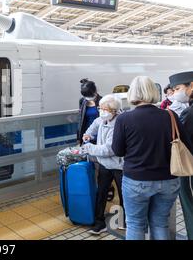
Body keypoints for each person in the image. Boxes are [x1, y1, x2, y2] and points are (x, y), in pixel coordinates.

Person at [112, 76, 192, 240]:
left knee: (135, 224)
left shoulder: (124, 119)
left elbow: (118, 151)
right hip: (169, 180)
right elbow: (187, 146)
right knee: (160, 223)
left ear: (132, 93)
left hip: (136, 180)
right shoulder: (170, 116)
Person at [81, 94, 124, 235]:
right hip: (104, 164)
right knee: (101, 193)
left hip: (119, 166)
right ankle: (99, 223)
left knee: (124, 194)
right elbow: (91, 128)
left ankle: (125, 221)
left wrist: (89, 148)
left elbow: (109, 149)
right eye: (101, 108)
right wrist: (88, 136)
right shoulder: (102, 120)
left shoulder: (119, 123)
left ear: (114, 111)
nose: (102, 111)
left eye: (105, 109)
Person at [169, 71, 193, 240]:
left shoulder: (189, 113)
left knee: (189, 204)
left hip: (190, 169)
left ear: (191, 86)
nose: (175, 93)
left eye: (178, 88)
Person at [78, 78, 102, 144]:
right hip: (86, 134)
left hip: (99, 133)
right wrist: (79, 137)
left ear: (95, 91)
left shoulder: (102, 101)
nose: (88, 98)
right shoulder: (82, 101)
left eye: (89, 95)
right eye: (86, 96)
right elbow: (81, 119)